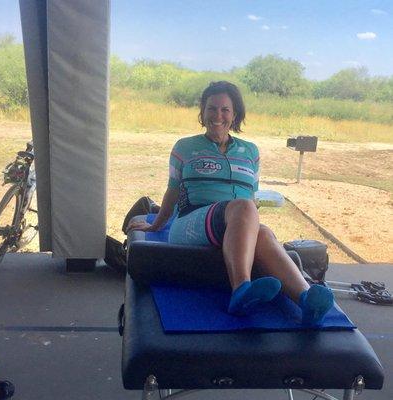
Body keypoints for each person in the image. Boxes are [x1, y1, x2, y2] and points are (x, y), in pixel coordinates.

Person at [127, 81, 333, 324]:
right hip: (190, 224)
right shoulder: (184, 147)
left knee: (264, 232)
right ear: (202, 113)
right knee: (243, 207)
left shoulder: (251, 152)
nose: (218, 115)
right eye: (212, 109)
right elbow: (172, 191)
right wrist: (157, 224)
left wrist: (252, 235)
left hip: (233, 222)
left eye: (225, 109)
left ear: (235, 114)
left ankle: (306, 301)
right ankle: (240, 291)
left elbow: (251, 197)